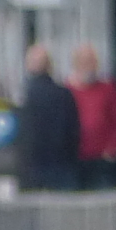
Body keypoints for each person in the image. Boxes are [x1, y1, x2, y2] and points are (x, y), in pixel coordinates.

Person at [17, 43, 82, 191]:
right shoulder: (64, 95)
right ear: (50, 66)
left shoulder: (26, 98)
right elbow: (74, 130)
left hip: (34, 167)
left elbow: (24, 134)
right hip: (62, 164)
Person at [69, 44, 116, 189]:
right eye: (84, 62)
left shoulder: (108, 89)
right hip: (76, 158)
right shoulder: (67, 91)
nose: (89, 66)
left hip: (103, 159)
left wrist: (113, 148)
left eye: (92, 62)